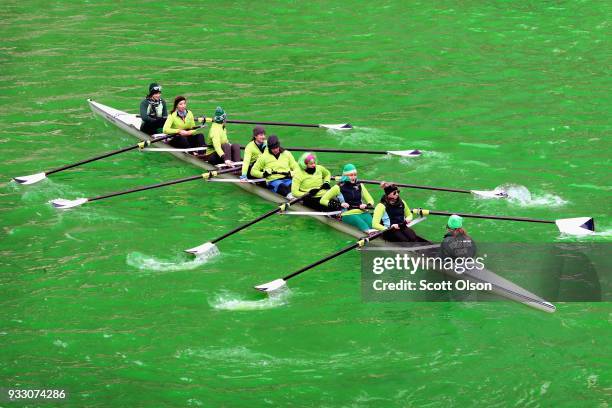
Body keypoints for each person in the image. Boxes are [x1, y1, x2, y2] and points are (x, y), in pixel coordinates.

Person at [320, 164, 375, 232]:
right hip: (347, 214)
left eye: (355, 175)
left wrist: (367, 205)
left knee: (374, 225)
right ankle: (368, 233)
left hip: (362, 211)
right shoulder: (337, 187)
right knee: (364, 226)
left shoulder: (360, 185)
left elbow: (370, 200)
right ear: (345, 175)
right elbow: (323, 200)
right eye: (351, 175)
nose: (353, 177)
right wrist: (339, 204)